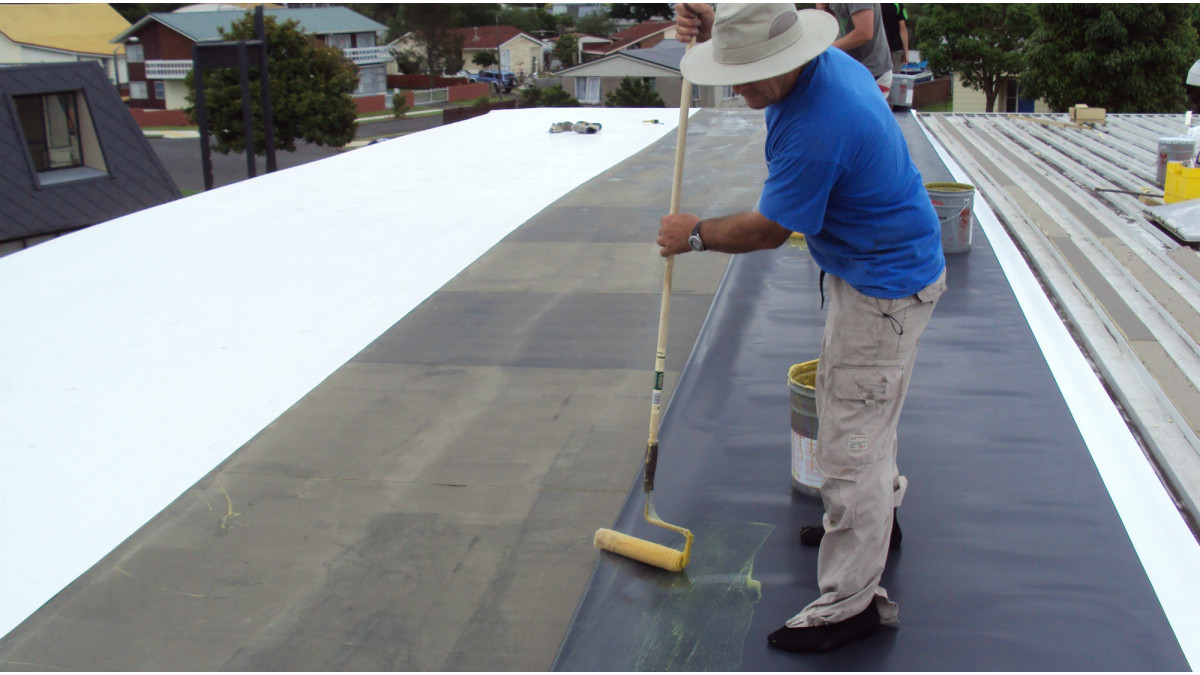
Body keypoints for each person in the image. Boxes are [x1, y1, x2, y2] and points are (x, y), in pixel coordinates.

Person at [664, 3, 946, 654]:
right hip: (877, 267)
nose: (736, 90)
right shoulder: (823, 68)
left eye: (747, 75)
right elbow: (755, 66)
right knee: (866, 416)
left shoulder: (819, 124)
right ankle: (876, 521)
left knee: (851, 446)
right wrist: (719, 38)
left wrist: (696, 233)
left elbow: (767, 230)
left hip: (885, 288)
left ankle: (852, 603)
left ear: (786, 64)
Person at [816, 3, 893, 96]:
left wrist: (826, 49)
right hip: (854, 74)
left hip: (871, 75)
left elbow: (864, 34)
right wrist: (825, 11)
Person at [880, 3, 910, 73]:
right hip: (896, 49)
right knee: (895, 79)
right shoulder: (897, 4)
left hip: (880, 48)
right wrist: (906, 52)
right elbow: (903, 29)